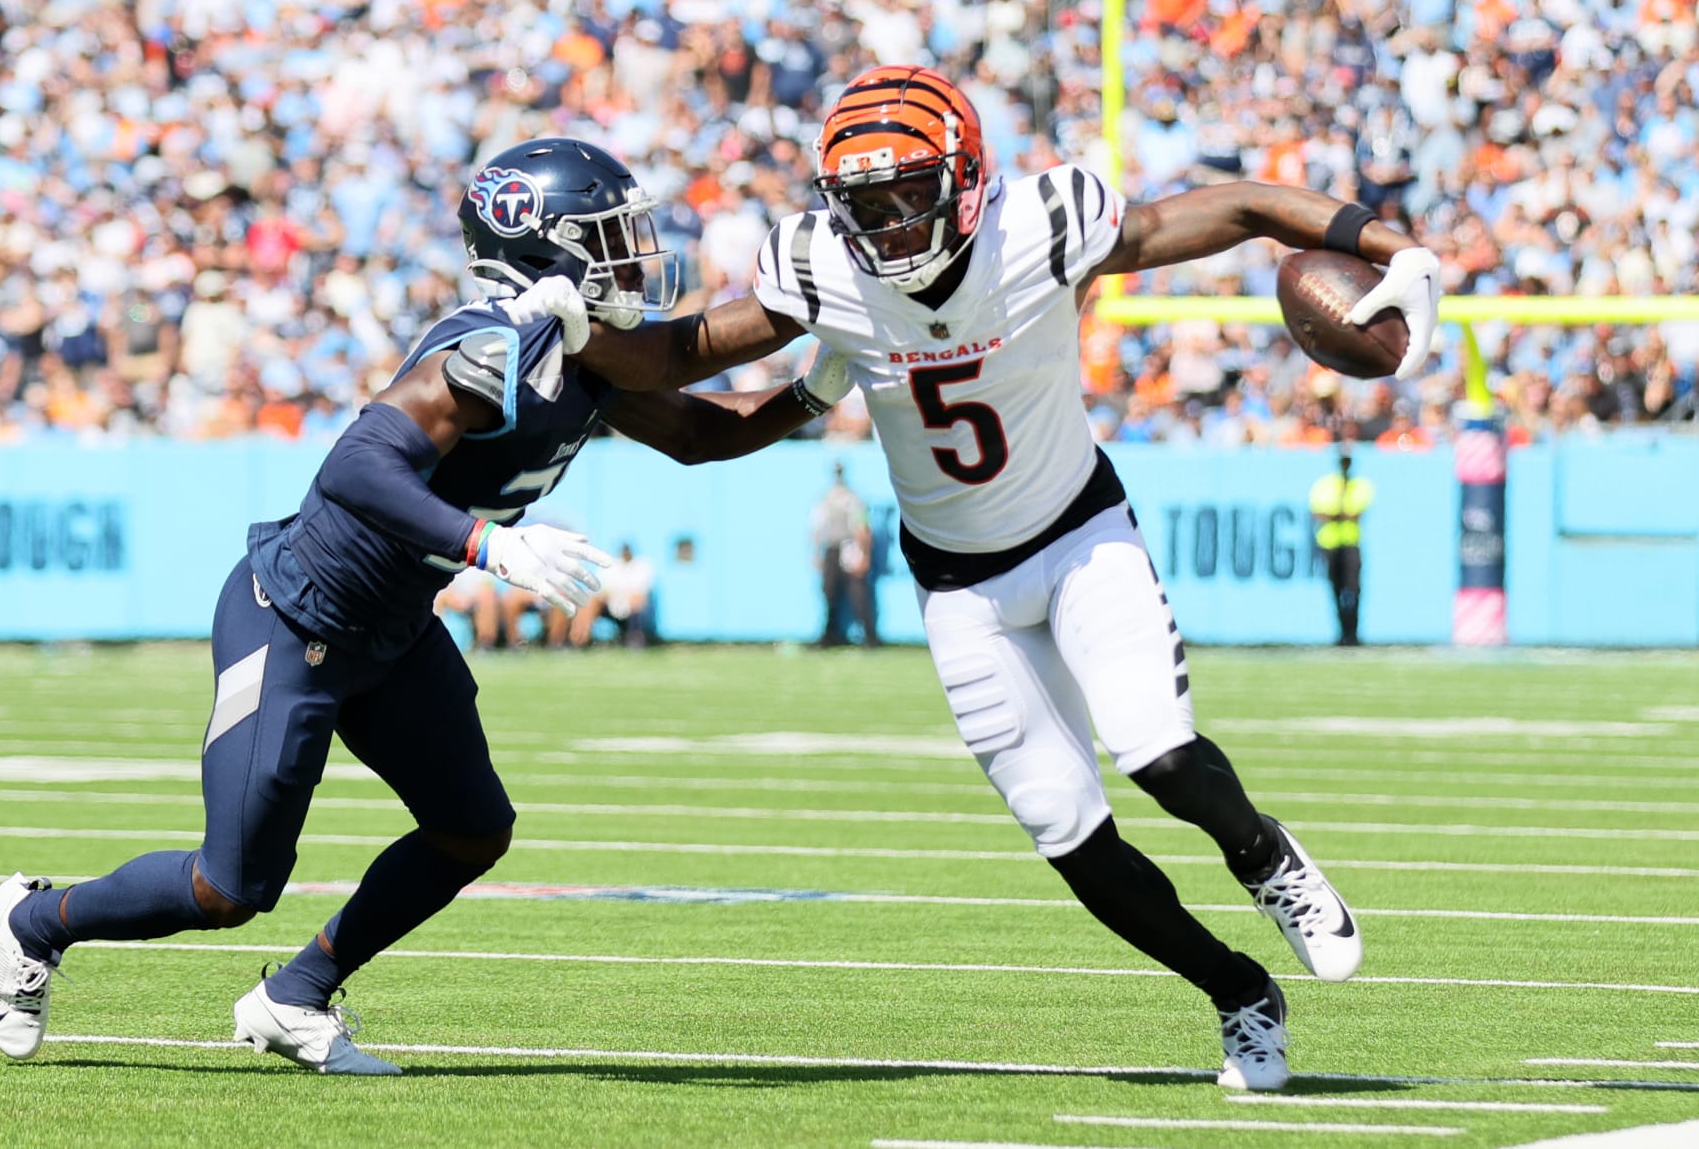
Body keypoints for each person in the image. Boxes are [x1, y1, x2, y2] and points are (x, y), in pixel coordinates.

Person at [562, 66, 1443, 1091]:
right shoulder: (818, 267)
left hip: (1079, 534)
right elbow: (675, 361)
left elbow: (1245, 208)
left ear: (968, 179)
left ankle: (1265, 857)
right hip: (960, 587)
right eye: (863, 207)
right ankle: (1238, 990)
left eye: (907, 199)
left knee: (1155, 750)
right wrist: (564, 331)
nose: (887, 229)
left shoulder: (1044, 225)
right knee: (1069, 831)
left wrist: (1393, 243)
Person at [0, 138, 854, 1075]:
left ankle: (296, 992)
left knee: (472, 826)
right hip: (295, 617)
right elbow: (356, 466)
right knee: (230, 886)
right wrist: (490, 544)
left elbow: (690, 406)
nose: (632, 256)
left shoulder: (582, 348)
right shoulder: (490, 345)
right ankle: (33, 920)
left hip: (393, 632)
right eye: (607, 236)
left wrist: (813, 379)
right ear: (541, 246)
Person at [810, 462, 879, 647]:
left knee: (858, 593)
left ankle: (870, 637)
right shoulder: (827, 497)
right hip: (832, 548)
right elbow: (818, 527)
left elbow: (862, 527)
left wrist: (863, 552)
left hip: (849, 545)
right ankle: (830, 634)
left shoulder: (853, 498)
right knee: (829, 592)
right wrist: (817, 552)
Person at [1310, 449, 1375, 646]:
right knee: (1336, 588)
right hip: (1330, 544)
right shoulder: (1326, 485)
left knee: (1353, 588)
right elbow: (1320, 514)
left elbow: (1355, 514)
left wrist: (1336, 514)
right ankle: (1341, 632)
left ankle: (1352, 632)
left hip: (1350, 543)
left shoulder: (1358, 486)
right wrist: (1340, 513)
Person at [570, 541, 657, 647]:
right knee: (590, 601)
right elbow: (602, 590)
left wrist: (620, 596)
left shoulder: (642, 565)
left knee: (636, 602)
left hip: (631, 606)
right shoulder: (612, 566)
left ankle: (635, 638)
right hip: (611, 604)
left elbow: (640, 592)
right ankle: (579, 638)